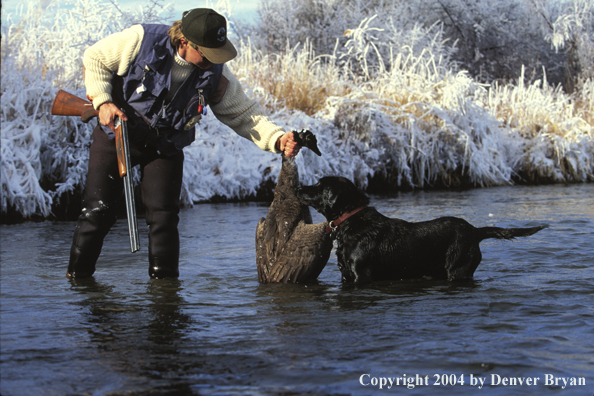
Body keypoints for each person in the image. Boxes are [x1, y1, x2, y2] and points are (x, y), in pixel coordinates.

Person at [68, 8, 302, 279]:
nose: (213, 61)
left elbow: (243, 113)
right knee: (97, 213)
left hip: (165, 145)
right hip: (117, 133)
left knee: (164, 219)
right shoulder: (140, 40)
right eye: (207, 53)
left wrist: (277, 137)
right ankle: (78, 282)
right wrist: (103, 100)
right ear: (184, 42)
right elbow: (94, 58)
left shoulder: (215, 72)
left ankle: (166, 294)